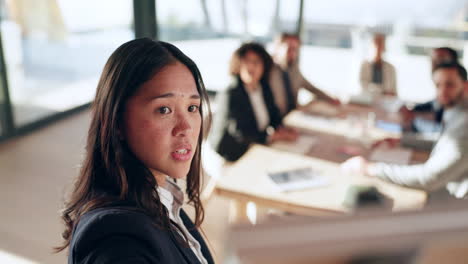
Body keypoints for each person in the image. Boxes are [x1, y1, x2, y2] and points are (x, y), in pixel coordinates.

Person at [56, 38, 214, 264]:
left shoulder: (162, 196)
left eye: (192, 108)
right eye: (164, 109)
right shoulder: (118, 243)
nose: (186, 128)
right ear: (117, 121)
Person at [342, 62, 468, 200]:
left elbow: (429, 178)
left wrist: (370, 169)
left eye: (450, 85)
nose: (442, 91)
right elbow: (445, 140)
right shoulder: (458, 111)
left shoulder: (464, 123)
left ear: (466, 86)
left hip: (454, 204)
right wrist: (402, 140)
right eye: (438, 85)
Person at [210, 42, 297, 162]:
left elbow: (273, 113)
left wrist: (281, 127)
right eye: (246, 61)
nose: (251, 66)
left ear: (264, 66)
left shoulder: (264, 87)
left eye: (256, 62)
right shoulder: (231, 93)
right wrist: (273, 136)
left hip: (254, 147)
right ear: (238, 64)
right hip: (228, 154)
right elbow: (241, 133)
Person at [269, 32, 339, 117]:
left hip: (293, 116)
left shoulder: (293, 70)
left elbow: (311, 88)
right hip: (275, 121)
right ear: (278, 47)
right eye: (290, 48)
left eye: (296, 50)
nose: (293, 54)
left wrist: (330, 98)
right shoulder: (267, 69)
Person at [400, 47, 459, 132]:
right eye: (432, 60)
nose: (434, 65)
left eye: (440, 59)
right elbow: (435, 103)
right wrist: (413, 110)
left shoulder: (458, 86)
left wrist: (415, 114)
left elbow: (442, 115)